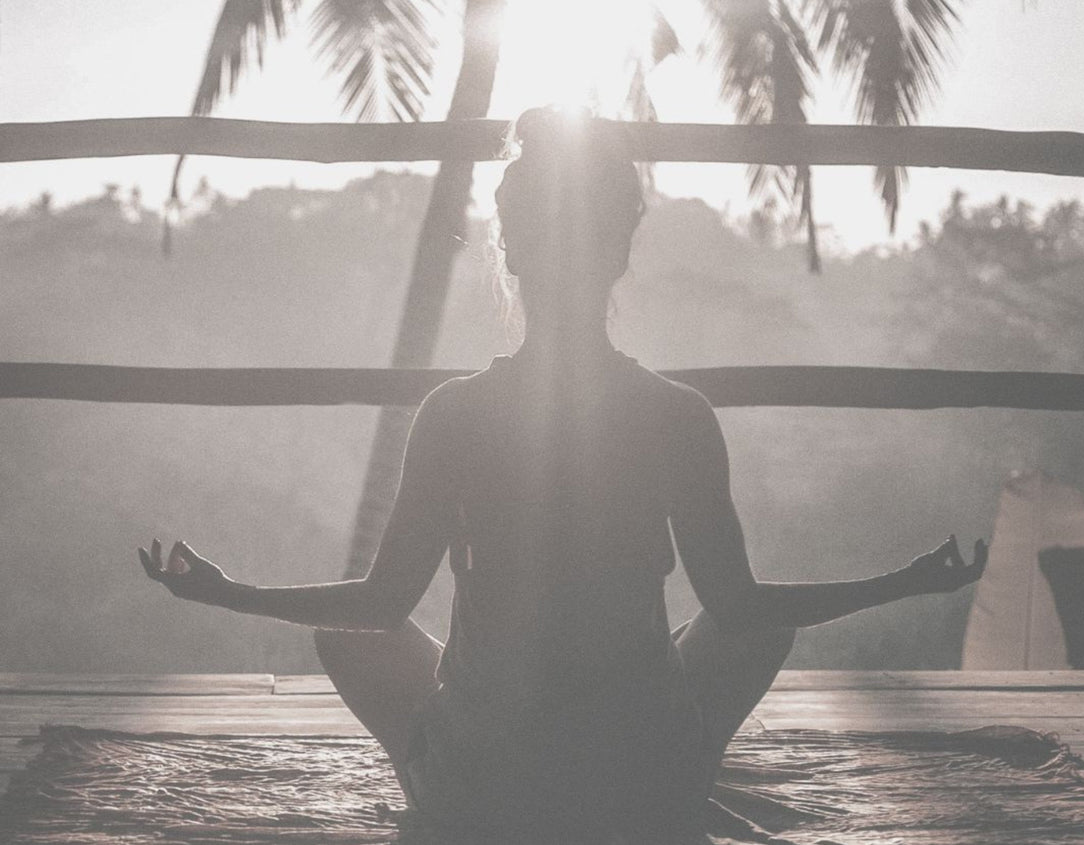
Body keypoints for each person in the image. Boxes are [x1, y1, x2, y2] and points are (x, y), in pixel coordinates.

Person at [140, 107, 988, 845]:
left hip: (492, 779)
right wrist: (903, 581)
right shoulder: (676, 414)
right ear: (620, 252)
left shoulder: (456, 412)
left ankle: (452, 802)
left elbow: (380, 604)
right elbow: (740, 606)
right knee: (757, 625)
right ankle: (668, 788)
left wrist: (231, 591)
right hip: (637, 777)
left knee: (349, 637)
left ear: (510, 252)